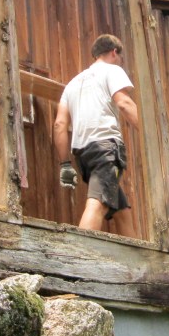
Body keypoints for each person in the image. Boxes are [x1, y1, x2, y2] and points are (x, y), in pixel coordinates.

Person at [53, 34, 139, 238]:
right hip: (106, 149)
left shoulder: (72, 85)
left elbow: (59, 125)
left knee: (120, 209)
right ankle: (80, 253)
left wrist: (65, 164)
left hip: (83, 155)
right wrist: (151, 136)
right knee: (98, 203)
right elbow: (124, 103)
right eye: (120, 57)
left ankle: (136, 255)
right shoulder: (112, 70)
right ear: (114, 53)